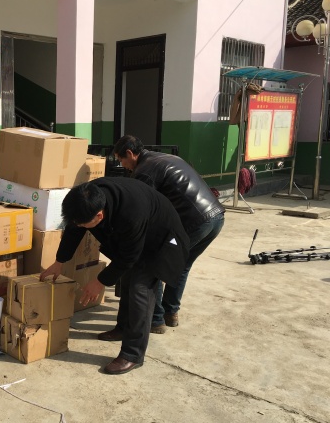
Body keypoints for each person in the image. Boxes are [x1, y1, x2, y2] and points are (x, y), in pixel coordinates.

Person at [40, 177, 189, 375]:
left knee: (140, 290)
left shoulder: (131, 213)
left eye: (84, 224)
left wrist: (99, 281)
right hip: (136, 239)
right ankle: (123, 328)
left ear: (99, 215)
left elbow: (128, 257)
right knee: (126, 280)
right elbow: (74, 228)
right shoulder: (87, 198)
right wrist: (60, 261)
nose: (79, 226)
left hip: (160, 242)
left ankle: (132, 354)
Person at [114, 135, 225, 334]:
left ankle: (156, 319)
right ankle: (170, 313)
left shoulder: (144, 171)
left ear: (130, 153)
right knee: (182, 265)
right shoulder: (166, 158)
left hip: (194, 222)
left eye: (121, 160)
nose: (123, 165)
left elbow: (141, 209)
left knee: (155, 263)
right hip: (216, 217)